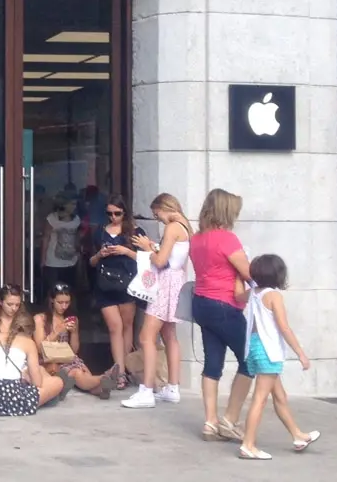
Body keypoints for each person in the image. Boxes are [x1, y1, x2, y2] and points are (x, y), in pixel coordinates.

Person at [238, 254, 321, 460]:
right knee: (260, 399)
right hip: (269, 350)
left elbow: (237, 296)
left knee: (279, 396)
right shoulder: (274, 296)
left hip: (255, 349)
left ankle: (298, 435)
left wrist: (236, 276)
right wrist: (301, 354)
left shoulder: (253, 293)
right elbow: (284, 327)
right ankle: (248, 445)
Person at [189, 188, 254, 442]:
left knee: (213, 363)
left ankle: (210, 422)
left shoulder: (197, 239)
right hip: (225, 305)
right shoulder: (227, 239)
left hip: (202, 302)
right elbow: (248, 273)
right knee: (250, 360)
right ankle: (229, 420)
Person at [122, 192, 192, 408]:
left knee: (146, 336)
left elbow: (160, 261)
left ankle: (147, 390)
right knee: (169, 335)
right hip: (177, 280)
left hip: (165, 283)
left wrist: (147, 248)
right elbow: (173, 257)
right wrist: (154, 247)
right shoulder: (185, 226)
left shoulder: (172, 227)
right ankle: (173, 387)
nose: (157, 219)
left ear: (164, 208)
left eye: (156, 214)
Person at [0, 285, 66, 416]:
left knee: (39, 370)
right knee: (48, 381)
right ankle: (53, 394)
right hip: (2, 366)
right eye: (10, 304)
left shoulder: (20, 322)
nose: (13, 308)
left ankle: (51, 392)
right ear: (0, 302)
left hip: (17, 365)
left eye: (17, 305)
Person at [88, 193, 142, 390]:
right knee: (114, 327)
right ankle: (119, 371)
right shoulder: (100, 233)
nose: (113, 217)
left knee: (127, 326)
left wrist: (125, 251)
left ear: (124, 212)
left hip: (127, 284)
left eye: (117, 213)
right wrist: (100, 254)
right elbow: (91, 262)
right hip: (105, 285)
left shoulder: (135, 231)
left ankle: (124, 368)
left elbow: (147, 258)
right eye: (109, 213)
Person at [34, 283, 115, 399]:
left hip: (66, 357)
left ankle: (102, 387)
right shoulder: (40, 319)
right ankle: (104, 379)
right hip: (48, 360)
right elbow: (39, 348)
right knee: (76, 373)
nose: (64, 306)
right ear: (52, 300)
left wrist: (74, 333)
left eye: (67, 302)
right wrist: (57, 331)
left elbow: (74, 350)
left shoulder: (72, 319)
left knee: (83, 372)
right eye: (60, 302)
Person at [40, 193, 82, 297]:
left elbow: (77, 238)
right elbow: (46, 238)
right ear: (64, 205)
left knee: (69, 290)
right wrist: (43, 259)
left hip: (71, 260)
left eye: (75, 204)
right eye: (71, 204)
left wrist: (79, 254)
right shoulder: (52, 219)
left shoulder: (76, 219)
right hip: (53, 261)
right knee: (53, 291)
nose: (74, 206)